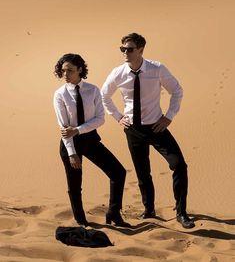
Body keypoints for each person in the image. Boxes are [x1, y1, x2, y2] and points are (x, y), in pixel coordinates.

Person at [101, 33, 195, 229]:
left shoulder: (157, 69)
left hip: (156, 126)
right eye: (123, 49)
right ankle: (149, 210)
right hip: (133, 129)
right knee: (143, 172)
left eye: (130, 49)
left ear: (141, 50)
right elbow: (104, 96)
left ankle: (181, 212)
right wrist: (118, 117)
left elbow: (177, 91)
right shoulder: (118, 73)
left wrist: (169, 116)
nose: (125, 53)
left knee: (179, 165)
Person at [53, 53, 130, 228]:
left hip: (90, 141)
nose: (65, 74)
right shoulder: (60, 94)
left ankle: (113, 213)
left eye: (70, 70)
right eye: (63, 70)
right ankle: (81, 221)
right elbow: (64, 128)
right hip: (70, 145)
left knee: (118, 173)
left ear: (80, 69)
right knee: (75, 185)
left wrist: (78, 130)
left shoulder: (93, 90)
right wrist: (72, 153)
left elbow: (100, 119)